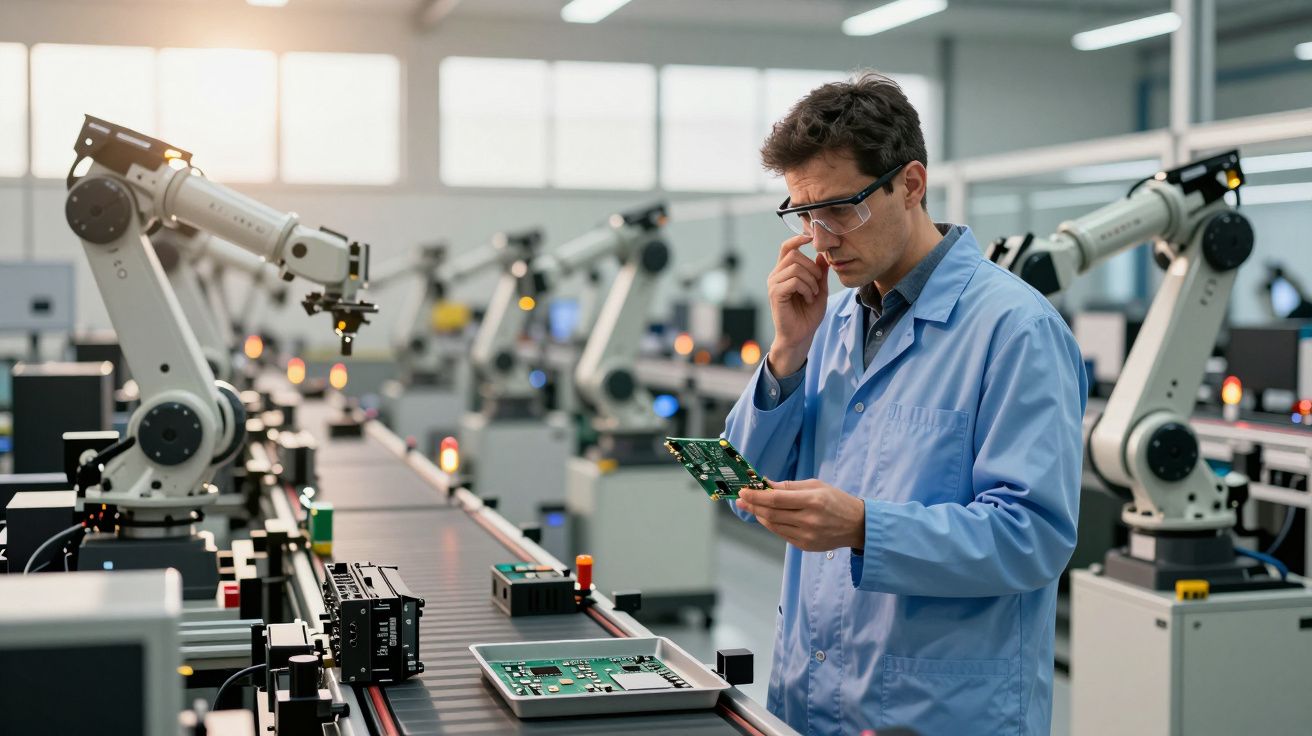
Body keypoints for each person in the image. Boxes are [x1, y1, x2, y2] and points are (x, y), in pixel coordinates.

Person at [723, 70, 1088, 735]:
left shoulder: (1014, 331)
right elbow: (740, 488)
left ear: (911, 184)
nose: (821, 238)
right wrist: (786, 352)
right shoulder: (828, 326)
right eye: (803, 213)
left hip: (941, 711)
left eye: (840, 207)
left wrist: (866, 527)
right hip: (809, 696)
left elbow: (1033, 539)